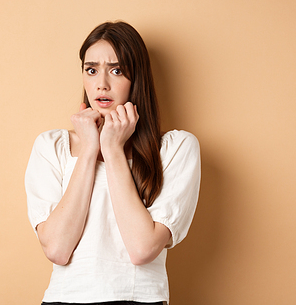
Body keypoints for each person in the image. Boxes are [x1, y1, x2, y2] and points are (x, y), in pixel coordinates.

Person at [25, 21, 200, 305]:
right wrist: (90, 148)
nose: (101, 84)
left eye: (116, 70)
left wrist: (112, 148)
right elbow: (57, 248)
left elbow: (142, 249)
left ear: (137, 79)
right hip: (64, 299)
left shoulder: (175, 148)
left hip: (140, 299)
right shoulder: (51, 146)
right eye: (91, 70)